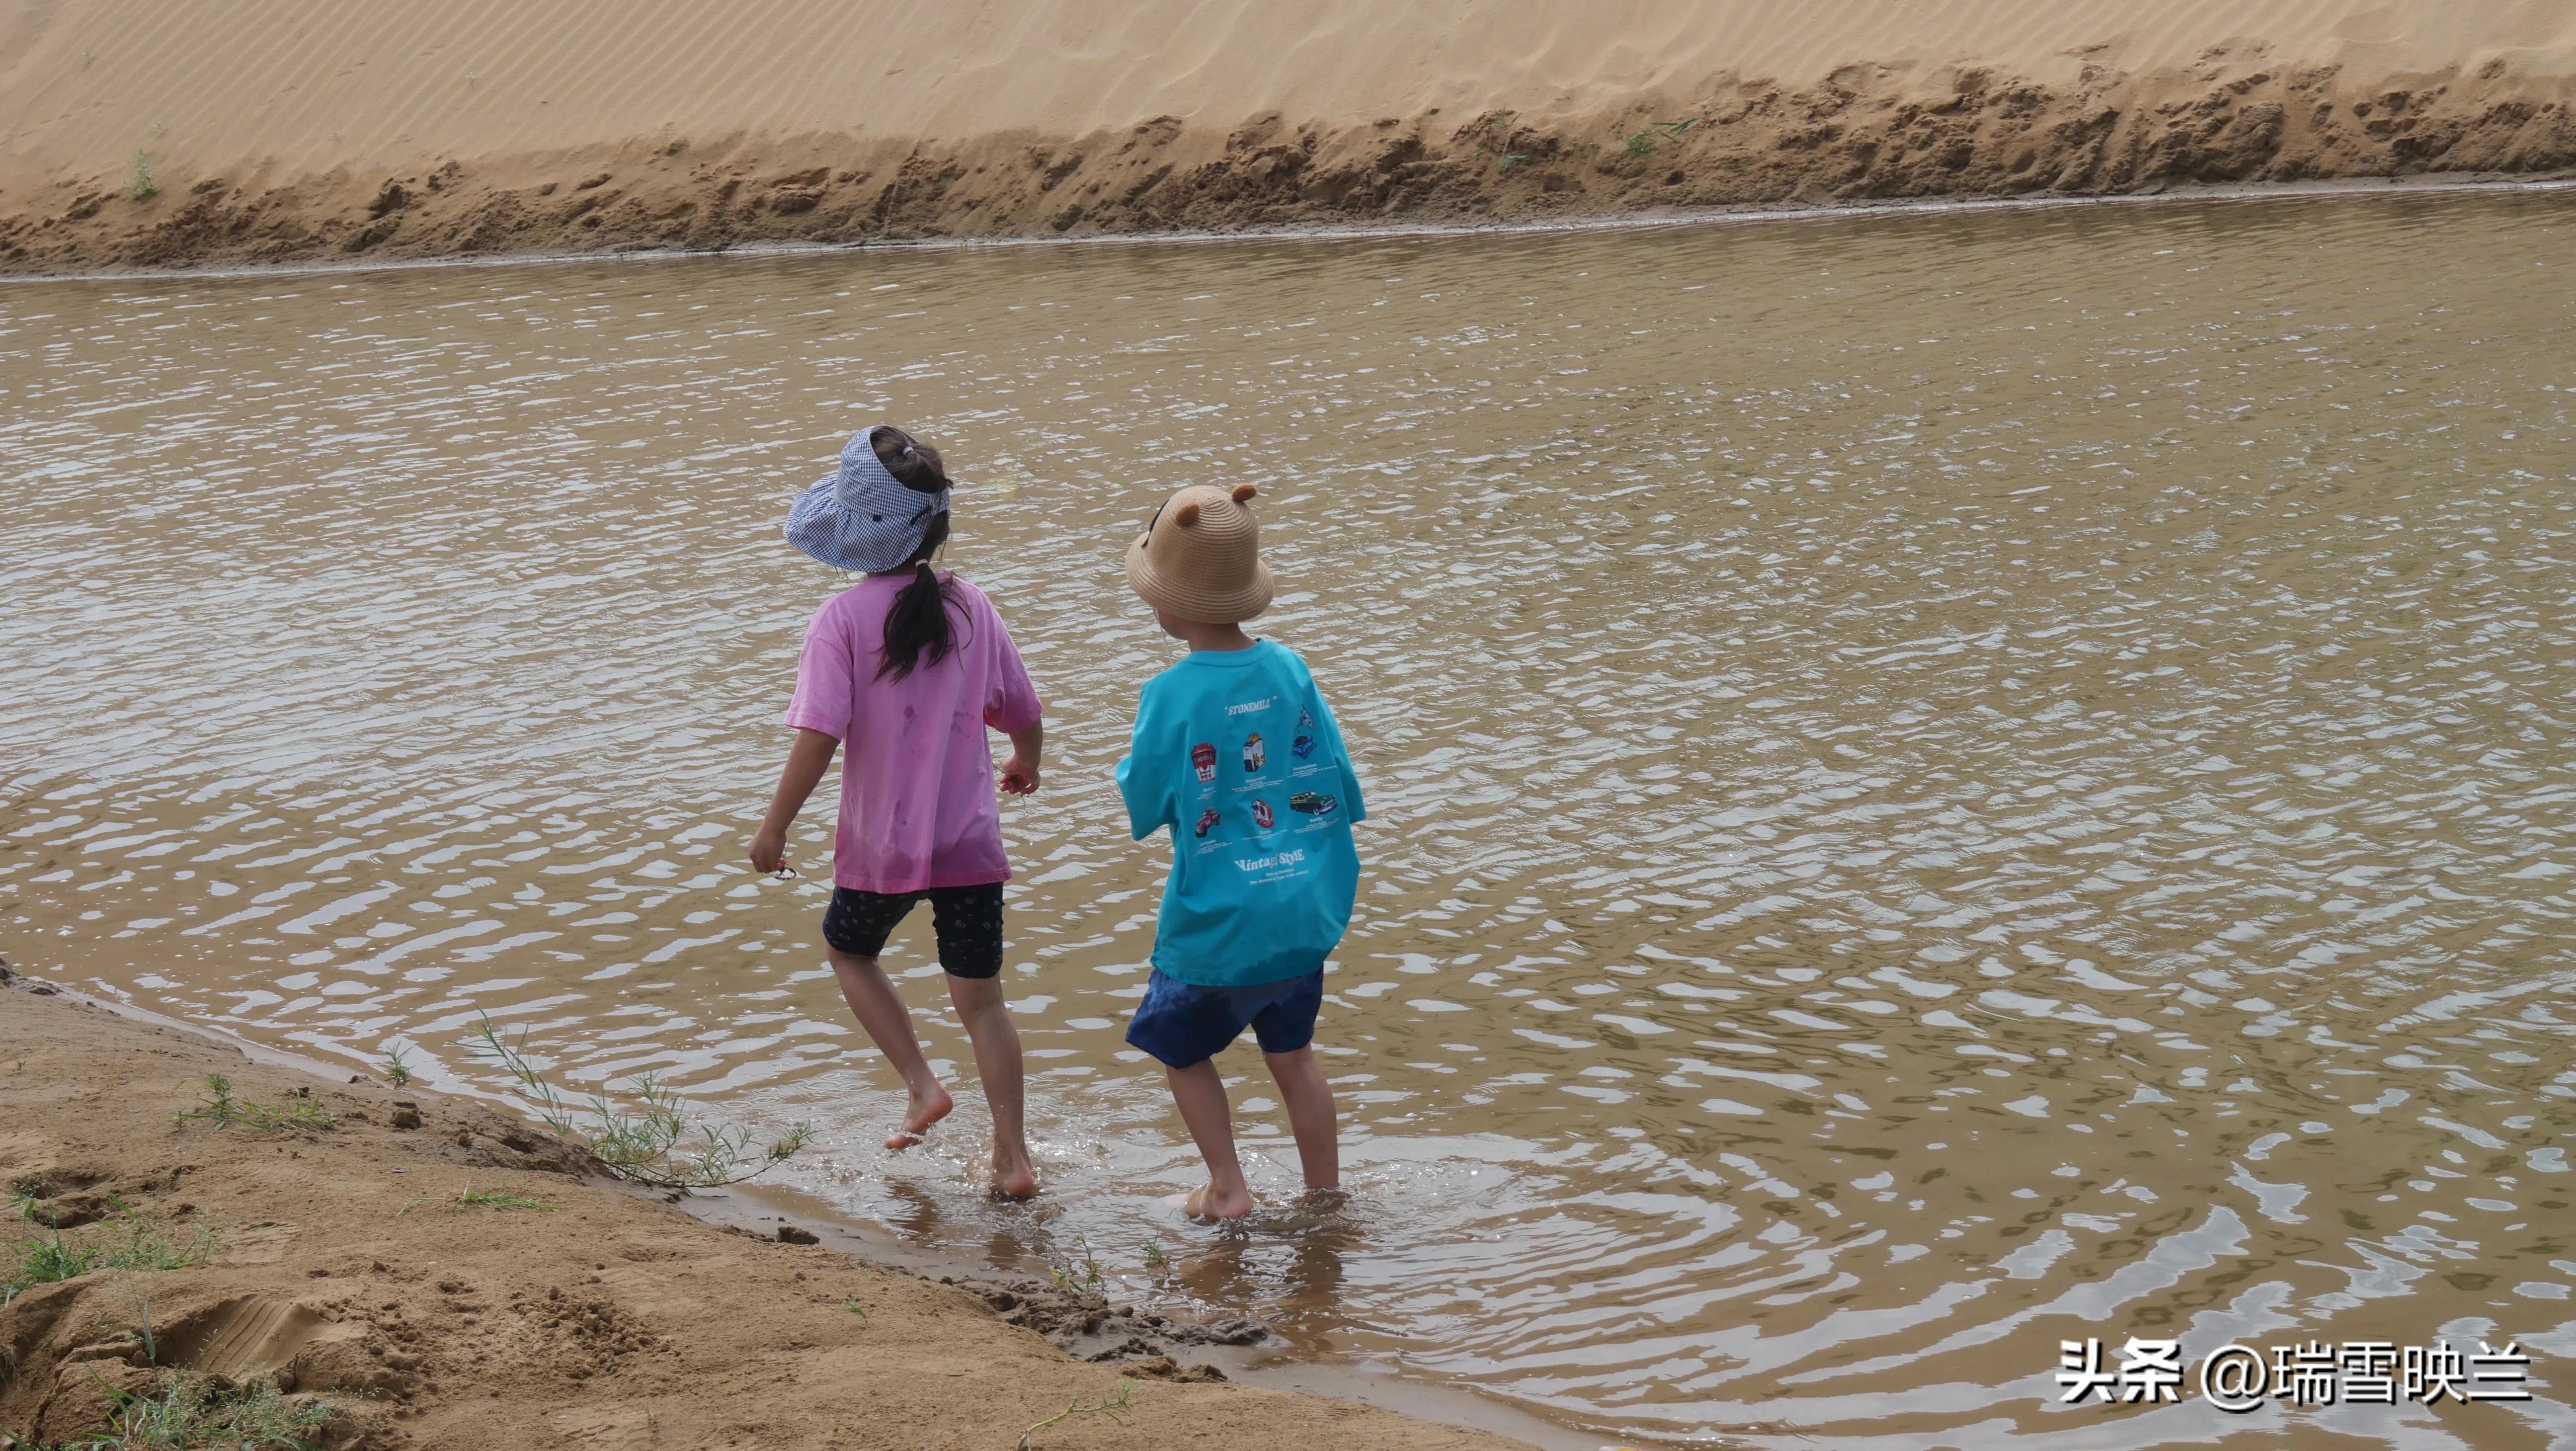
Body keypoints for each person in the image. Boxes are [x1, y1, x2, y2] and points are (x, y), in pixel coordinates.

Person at [748, 424, 1045, 1200]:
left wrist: (774, 826)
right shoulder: (972, 605)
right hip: (969, 846)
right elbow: (1021, 708)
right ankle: (1013, 1158)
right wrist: (1027, 761)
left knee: (849, 952)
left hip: (882, 849)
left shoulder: (840, 622)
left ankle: (922, 1085)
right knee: (983, 1003)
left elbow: (819, 736)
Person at [1114, 482, 1367, 1219]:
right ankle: (1325, 1197)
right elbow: (1339, 780)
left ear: (1170, 601)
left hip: (1220, 920)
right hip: (1302, 908)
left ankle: (1227, 1188)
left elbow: (1147, 798)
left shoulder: (1170, 692)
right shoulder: (1289, 667)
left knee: (1180, 1048)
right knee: (1293, 1056)